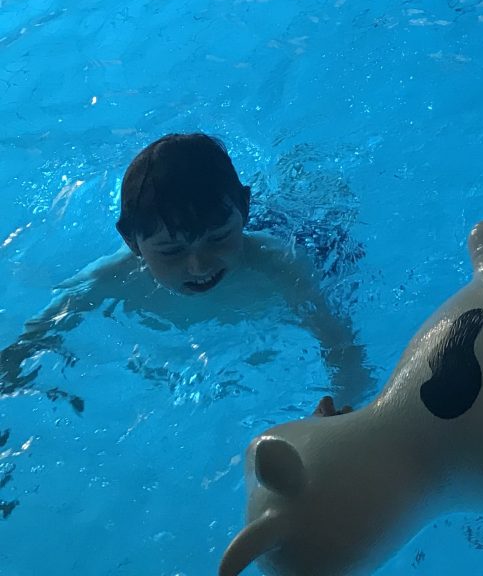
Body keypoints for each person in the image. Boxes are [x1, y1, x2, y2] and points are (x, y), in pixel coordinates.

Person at [1, 133, 368, 410]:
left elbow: (341, 347)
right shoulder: (110, 277)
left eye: (218, 239)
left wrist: (341, 411)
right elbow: (37, 333)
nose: (199, 265)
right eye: (172, 251)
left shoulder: (281, 265)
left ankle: (295, 179)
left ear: (244, 208)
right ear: (131, 242)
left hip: (291, 232)